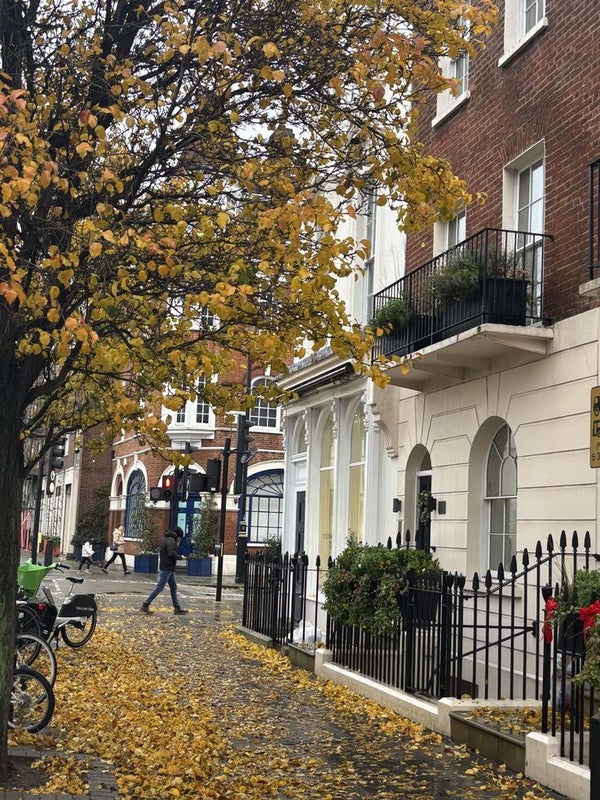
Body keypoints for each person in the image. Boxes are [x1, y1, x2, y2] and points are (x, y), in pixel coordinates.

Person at [141, 527, 188, 614]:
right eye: (180, 537)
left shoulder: (168, 538)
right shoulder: (171, 540)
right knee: (160, 587)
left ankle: (177, 607)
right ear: (178, 535)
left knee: (173, 587)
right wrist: (180, 557)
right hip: (167, 567)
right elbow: (171, 553)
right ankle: (146, 604)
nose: (180, 539)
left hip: (169, 567)